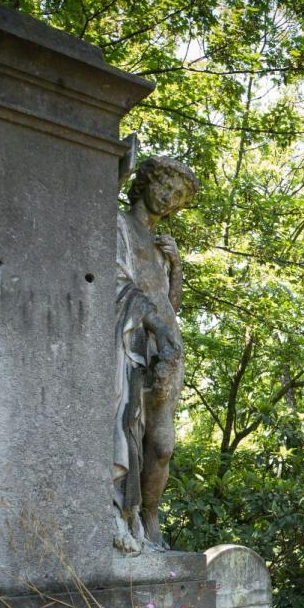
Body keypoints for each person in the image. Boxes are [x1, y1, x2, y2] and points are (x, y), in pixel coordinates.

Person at [112, 156, 198, 554]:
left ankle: (151, 516)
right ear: (145, 182)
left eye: (177, 197)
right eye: (165, 187)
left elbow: (170, 305)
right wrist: (156, 331)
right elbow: (119, 284)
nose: (168, 199)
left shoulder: (163, 249)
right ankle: (130, 519)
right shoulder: (119, 226)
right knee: (131, 433)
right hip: (133, 342)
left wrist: (177, 267)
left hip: (168, 348)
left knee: (162, 445)